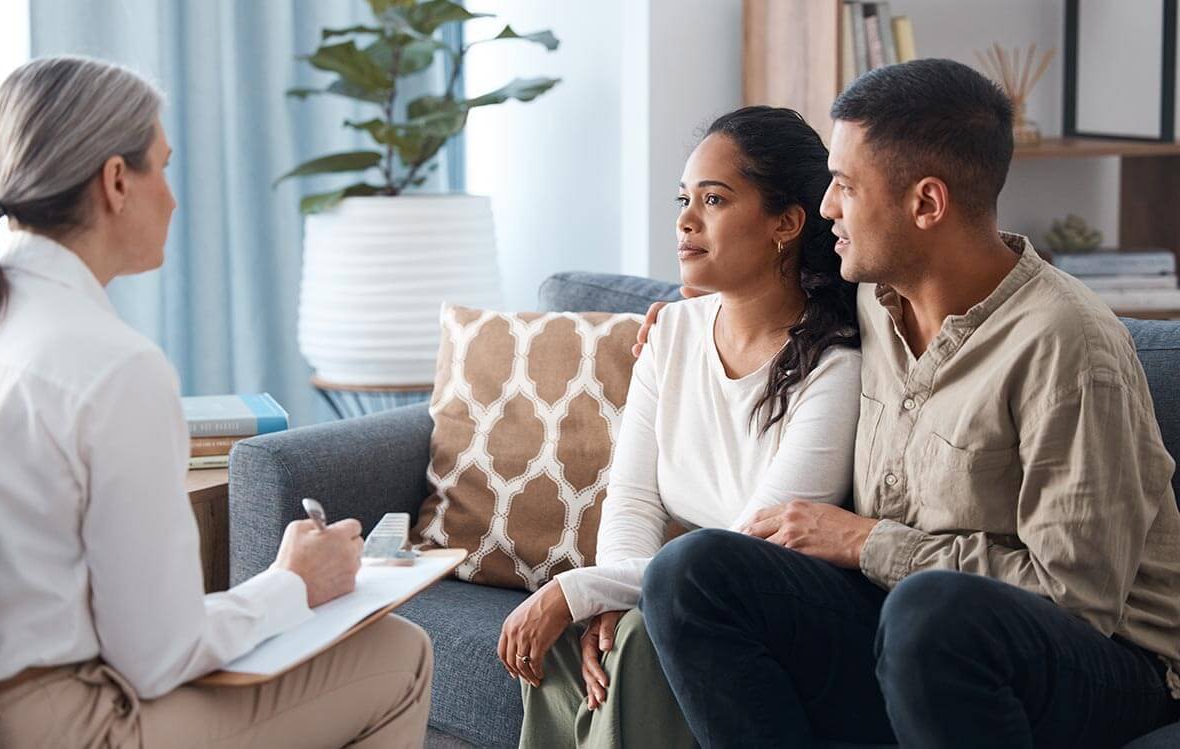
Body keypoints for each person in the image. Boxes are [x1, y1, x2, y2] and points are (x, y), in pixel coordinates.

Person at [638, 58, 1180, 748]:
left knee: (930, 612)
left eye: (844, 186)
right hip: (907, 627)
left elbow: (1077, 598)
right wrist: (681, 315)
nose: (827, 207)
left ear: (926, 204)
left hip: (1106, 660)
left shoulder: (1068, 346)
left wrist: (868, 541)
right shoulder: (870, 291)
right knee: (693, 572)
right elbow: (759, 270)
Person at [0, 56, 432, 748]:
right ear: (116, 180)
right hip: (71, 725)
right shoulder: (115, 366)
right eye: (163, 167)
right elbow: (157, 657)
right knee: (400, 653)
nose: (174, 196)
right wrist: (293, 582)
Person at [498, 106, 863, 748]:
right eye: (684, 198)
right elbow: (634, 498)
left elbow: (746, 549)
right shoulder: (669, 333)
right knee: (575, 638)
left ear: (786, 223)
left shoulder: (835, 364)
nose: (685, 220)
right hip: (676, 583)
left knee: (637, 634)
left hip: (762, 607)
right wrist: (601, 600)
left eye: (715, 199)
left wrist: (580, 588)